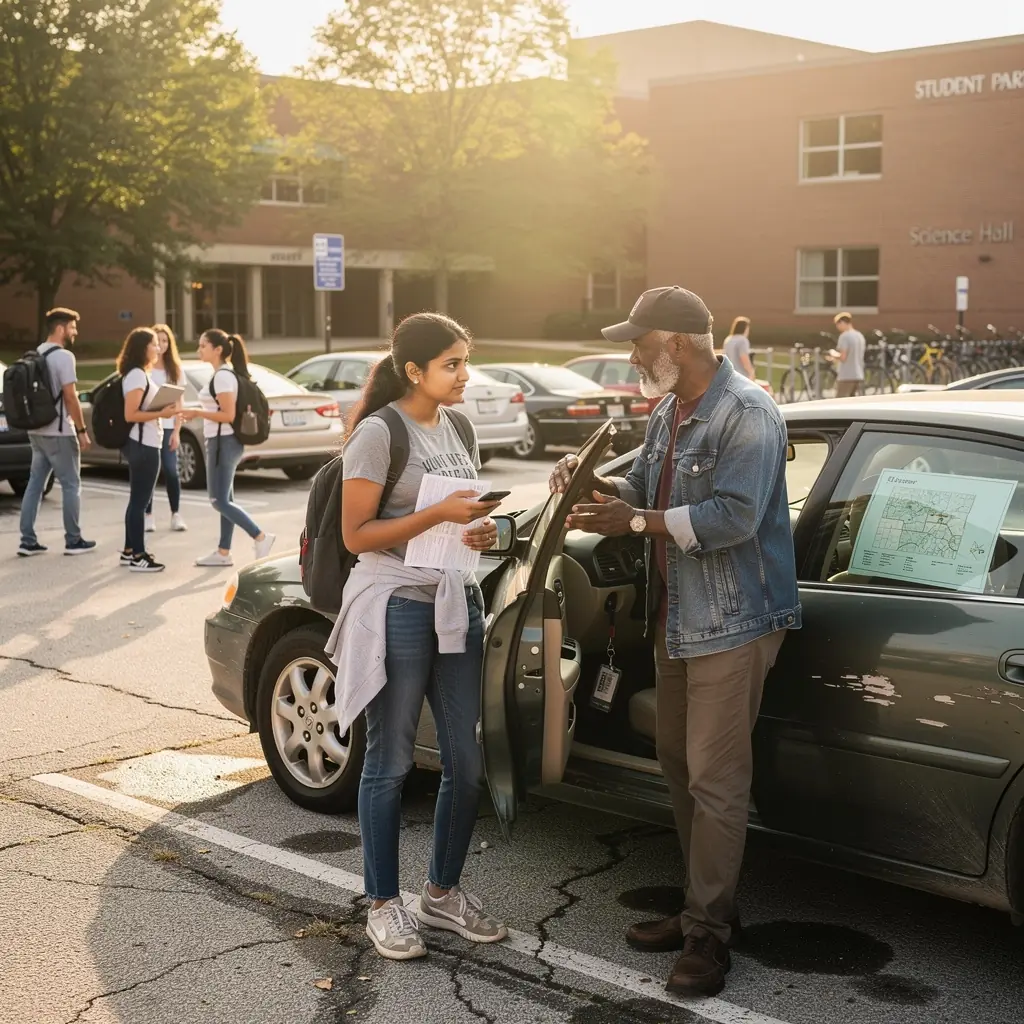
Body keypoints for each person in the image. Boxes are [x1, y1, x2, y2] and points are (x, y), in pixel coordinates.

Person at [549, 286, 800, 997]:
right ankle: (701, 909)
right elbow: (635, 488)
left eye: (639, 341)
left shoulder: (745, 412)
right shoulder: (667, 410)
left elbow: (734, 519)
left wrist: (633, 523)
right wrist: (588, 484)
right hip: (680, 620)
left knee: (716, 783)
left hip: (734, 622)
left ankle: (709, 937)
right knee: (678, 766)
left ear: (678, 344)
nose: (631, 354)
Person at [324, 312, 508, 962]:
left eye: (466, 360)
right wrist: (435, 513)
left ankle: (442, 892)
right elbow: (356, 536)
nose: (464, 374)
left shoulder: (460, 426)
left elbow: (466, 517)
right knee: (390, 762)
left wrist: (481, 531)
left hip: (459, 600)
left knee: (466, 760)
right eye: (452, 363)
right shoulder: (379, 434)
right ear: (414, 371)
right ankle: (382, 903)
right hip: (398, 606)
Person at [17, 307, 97, 557]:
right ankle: (73, 540)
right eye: (72, 327)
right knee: (72, 484)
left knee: (34, 484)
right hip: (60, 432)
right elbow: (71, 398)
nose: (75, 332)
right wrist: (82, 430)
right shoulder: (64, 357)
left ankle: (27, 541)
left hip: (37, 431)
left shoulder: (36, 353)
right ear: (61, 328)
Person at [192, 329, 274, 567]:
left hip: (223, 442)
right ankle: (223, 552)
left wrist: (197, 413)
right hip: (222, 442)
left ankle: (260, 536)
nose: (199, 350)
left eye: (203, 346)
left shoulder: (224, 377)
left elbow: (227, 414)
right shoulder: (221, 375)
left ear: (218, 350)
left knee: (218, 500)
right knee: (225, 498)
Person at [118, 328, 180, 573]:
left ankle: (129, 551)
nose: (157, 348)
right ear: (142, 348)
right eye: (154, 344)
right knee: (140, 503)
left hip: (147, 443)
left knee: (137, 500)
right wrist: (161, 413)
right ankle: (139, 557)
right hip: (143, 445)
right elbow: (130, 414)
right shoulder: (135, 375)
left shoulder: (140, 374)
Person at [144, 323, 187, 533]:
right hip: (150, 426)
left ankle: (175, 514)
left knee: (171, 471)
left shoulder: (175, 370)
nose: (161, 345)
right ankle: (148, 514)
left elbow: (180, 404)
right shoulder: (146, 369)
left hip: (169, 427)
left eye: (164, 341)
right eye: (157, 341)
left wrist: (177, 431)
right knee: (150, 471)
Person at [830, 311, 866, 397]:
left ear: (842, 322)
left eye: (837, 324)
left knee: (840, 403)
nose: (837, 327)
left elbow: (843, 357)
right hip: (859, 375)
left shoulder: (844, 336)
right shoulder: (859, 336)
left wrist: (833, 353)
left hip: (846, 375)